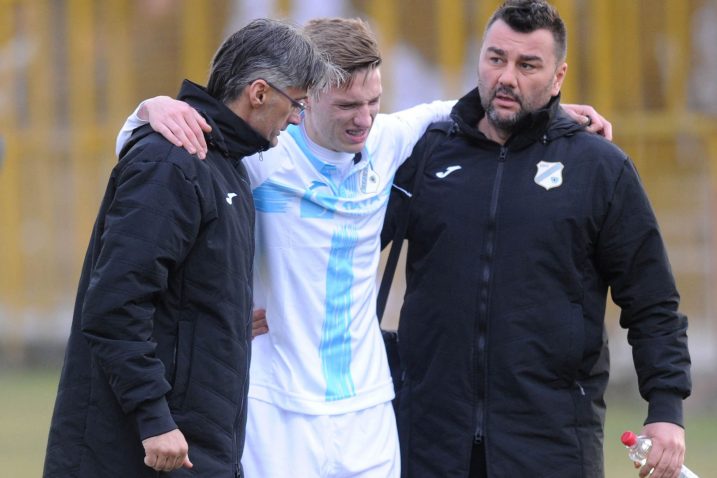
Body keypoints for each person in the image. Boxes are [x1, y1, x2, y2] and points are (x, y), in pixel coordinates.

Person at [116, 18, 612, 478]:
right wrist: (149, 111)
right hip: (277, 405)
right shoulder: (262, 156)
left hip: (369, 409)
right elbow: (159, 165)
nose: (365, 119)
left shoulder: (388, 139)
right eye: (348, 106)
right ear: (304, 98)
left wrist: (551, 113)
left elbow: (463, 109)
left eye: (373, 101)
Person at [380, 1, 692, 477]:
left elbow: (652, 302)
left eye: (528, 65)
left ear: (558, 76)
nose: (507, 77)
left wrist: (666, 410)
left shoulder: (599, 168)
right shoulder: (426, 154)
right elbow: (347, 237)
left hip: (552, 444)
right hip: (430, 441)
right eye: (495, 59)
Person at [43, 18, 333, 478]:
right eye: (296, 104)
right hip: (144, 448)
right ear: (259, 93)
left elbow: (176, 290)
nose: (297, 119)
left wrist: (223, 318)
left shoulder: (228, 164)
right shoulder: (173, 161)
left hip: (197, 446)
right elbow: (116, 304)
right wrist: (153, 418)